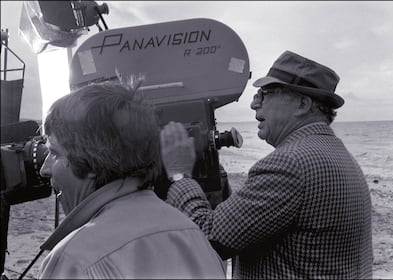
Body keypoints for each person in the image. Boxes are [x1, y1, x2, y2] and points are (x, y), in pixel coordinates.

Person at [160, 50, 373, 279]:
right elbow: (256, 224)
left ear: (302, 104)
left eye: (266, 93)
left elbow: (209, 238)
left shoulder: (290, 165)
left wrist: (180, 173)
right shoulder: (338, 155)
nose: (254, 103)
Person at [37, 80, 226, 279]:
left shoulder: (74, 260)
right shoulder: (195, 237)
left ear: (90, 160)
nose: (44, 169)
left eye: (55, 153)